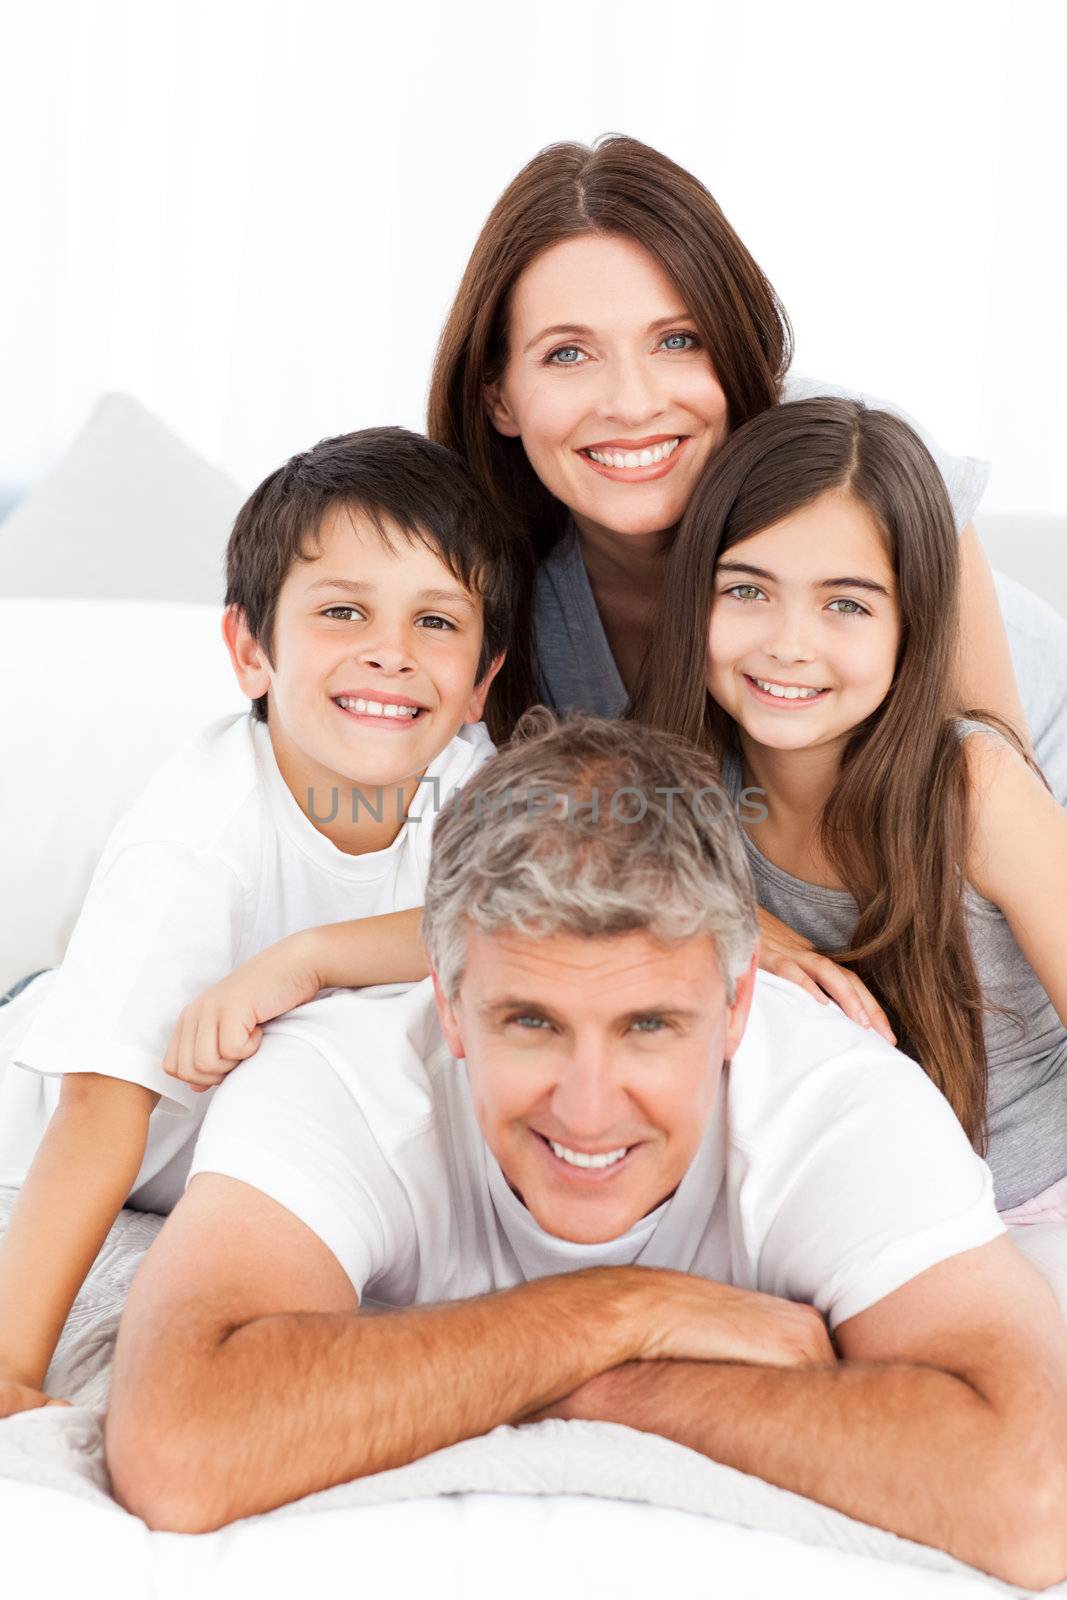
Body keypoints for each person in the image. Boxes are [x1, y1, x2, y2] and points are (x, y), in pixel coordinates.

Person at [105, 714, 1067, 1589]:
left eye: (649, 1024)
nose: (589, 1107)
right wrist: (630, 1312)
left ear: (736, 1006)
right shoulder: (337, 1076)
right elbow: (180, 1450)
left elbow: (1036, 1497)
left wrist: (604, 1389)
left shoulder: (837, 1099)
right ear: (447, 1001)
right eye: (530, 1021)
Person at [427, 132, 1067, 1018]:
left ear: (740, 353)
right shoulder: (489, 585)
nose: (632, 401)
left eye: (677, 339)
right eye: (568, 354)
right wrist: (736, 920)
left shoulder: (859, 468)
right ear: (497, 393)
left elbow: (984, 878)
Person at [0, 426, 511, 1419]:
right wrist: (13, 1364)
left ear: (480, 685)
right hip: (46, 1114)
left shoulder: (466, 784)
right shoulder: (198, 840)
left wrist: (308, 959)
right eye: (342, 611)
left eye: (437, 624)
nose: (390, 654)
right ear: (250, 651)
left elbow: (530, 917)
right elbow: (100, 1107)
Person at [630, 396, 1067, 1306]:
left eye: (846, 604)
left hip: (1028, 1205)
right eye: (746, 590)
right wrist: (308, 960)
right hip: (841, 1212)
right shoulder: (675, 788)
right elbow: (491, 918)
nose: (789, 644)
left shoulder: (969, 788)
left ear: (912, 625)